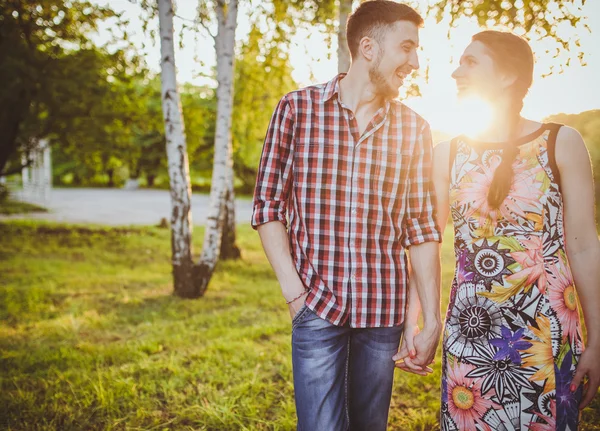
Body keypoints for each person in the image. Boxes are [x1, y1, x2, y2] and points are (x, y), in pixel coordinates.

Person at [395, 30, 600, 430]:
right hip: (470, 332)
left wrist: (598, 337)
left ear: (507, 75)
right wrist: (415, 322)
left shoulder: (562, 142)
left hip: (549, 334)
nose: (456, 72)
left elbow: (584, 246)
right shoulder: (446, 154)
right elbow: (427, 242)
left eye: (471, 62)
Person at [251, 1, 443, 429]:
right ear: (369, 48)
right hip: (316, 308)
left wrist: (431, 317)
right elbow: (267, 206)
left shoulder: (414, 128)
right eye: (407, 47)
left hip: (384, 316)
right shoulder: (297, 110)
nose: (414, 62)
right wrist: (294, 294)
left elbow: (422, 227)